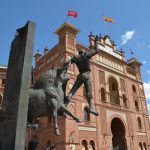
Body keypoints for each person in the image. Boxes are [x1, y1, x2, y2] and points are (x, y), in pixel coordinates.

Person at [64, 35, 100, 116]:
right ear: (83, 52)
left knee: (72, 91)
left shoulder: (76, 57)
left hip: (79, 76)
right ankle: (91, 108)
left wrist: (65, 68)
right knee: (89, 92)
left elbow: (68, 62)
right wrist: (96, 41)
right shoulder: (86, 55)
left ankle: (65, 105)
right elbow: (96, 50)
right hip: (86, 75)